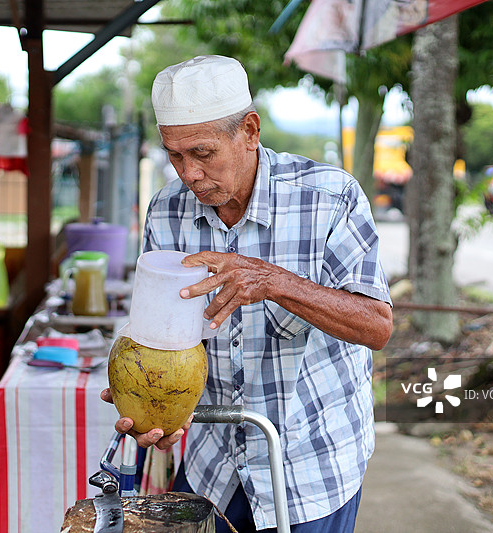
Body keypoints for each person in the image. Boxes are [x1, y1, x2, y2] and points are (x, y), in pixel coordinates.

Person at [100, 55, 393, 533]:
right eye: (175, 155)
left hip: (309, 466)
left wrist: (273, 281)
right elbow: (161, 332)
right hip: (211, 465)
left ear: (250, 131)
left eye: (202, 153)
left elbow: (376, 327)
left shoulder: (331, 197)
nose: (189, 174)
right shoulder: (166, 210)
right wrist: (153, 404)